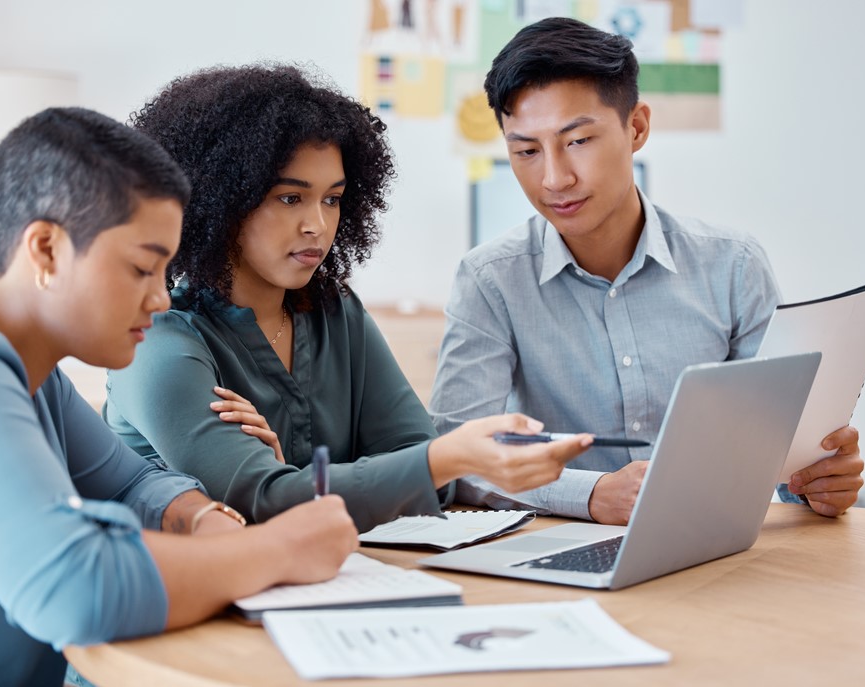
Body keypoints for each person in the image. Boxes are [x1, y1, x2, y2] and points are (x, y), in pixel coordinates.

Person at [0, 108, 357, 687]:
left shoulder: (33, 375)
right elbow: (73, 588)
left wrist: (204, 518)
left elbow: (133, 484)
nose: (161, 299)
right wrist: (279, 549)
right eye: (141, 268)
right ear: (47, 250)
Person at [104, 64, 593, 533]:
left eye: (332, 198)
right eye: (290, 198)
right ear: (219, 200)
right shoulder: (156, 338)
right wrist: (437, 461)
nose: (317, 224)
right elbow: (261, 499)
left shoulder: (334, 312)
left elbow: (422, 472)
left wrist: (297, 482)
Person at [429, 17, 865, 525]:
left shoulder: (732, 265)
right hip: (564, 552)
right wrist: (590, 494)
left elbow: (780, 442)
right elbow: (456, 460)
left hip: (711, 542)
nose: (554, 178)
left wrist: (816, 482)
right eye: (526, 151)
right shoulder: (491, 280)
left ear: (636, 127)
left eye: (577, 141)